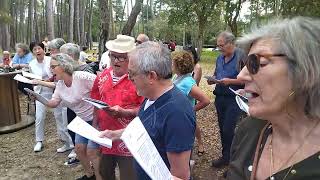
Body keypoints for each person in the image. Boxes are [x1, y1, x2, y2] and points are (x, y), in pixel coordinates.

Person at [228, 17, 320, 180]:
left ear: (305, 70)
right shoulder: (248, 129)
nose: (241, 75)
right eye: (244, 63)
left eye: (257, 63)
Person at [100, 41, 196, 180]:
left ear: (151, 76)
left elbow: (180, 176)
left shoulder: (177, 114)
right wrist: (115, 134)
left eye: (132, 73)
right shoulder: (150, 96)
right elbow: (144, 128)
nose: (128, 77)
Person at [33, 53, 101, 180]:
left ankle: (99, 176)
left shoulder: (81, 77)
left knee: (92, 151)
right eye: (50, 67)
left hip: (97, 118)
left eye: (53, 66)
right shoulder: (60, 84)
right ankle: (90, 175)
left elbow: (101, 85)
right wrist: (38, 97)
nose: (51, 70)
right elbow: (53, 103)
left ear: (64, 66)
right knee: (79, 149)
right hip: (82, 120)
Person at [91, 35, 144, 180]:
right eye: (112, 56)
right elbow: (96, 101)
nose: (115, 60)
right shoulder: (102, 76)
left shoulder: (139, 79)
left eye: (121, 57)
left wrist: (124, 112)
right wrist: (95, 125)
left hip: (128, 139)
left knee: (129, 176)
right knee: (105, 172)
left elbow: (147, 110)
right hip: (105, 136)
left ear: (131, 58)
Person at [207, 31, 246, 168]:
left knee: (229, 129)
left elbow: (249, 79)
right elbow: (217, 73)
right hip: (220, 98)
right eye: (218, 46)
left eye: (222, 45)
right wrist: (212, 80)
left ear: (231, 43)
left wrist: (230, 81)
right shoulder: (219, 58)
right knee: (222, 129)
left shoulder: (242, 56)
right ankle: (226, 157)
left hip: (234, 99)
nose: (219, 48)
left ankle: (235, 161)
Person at [32, 38, 74, 156]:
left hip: (66, 95)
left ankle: (74, 146)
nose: (51, 53)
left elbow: (58, 82)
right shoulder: (54, 62)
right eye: (49, 50)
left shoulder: (66, 63)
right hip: (57, 93)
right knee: (59, 118)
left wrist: (41, 82)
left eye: (53, 50)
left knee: (67, 120)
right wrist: (44, 81)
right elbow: (54, 79)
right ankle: (66, 143)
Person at [172, 50, 210, 157]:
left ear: (179, 65)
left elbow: (206, 100)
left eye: (173, 63)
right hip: (177, 118)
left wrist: (189, 110)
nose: (171, 65)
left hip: (184, 120)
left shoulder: (188, 82)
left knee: (183, 148)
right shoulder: (176, 77)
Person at [183, 45, 206, 155]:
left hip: (191, 96)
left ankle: (200, 143)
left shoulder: (197, 67)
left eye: (189, 54)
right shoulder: (182, 66)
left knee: (193, 122)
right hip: (183, 97)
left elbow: (195, 83)